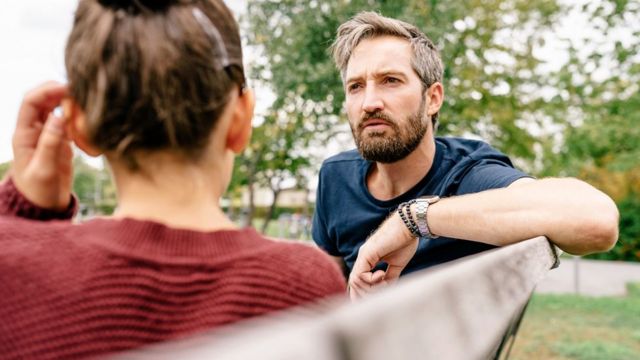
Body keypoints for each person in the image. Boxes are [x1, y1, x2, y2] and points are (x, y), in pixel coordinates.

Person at [0, 0, 345, 358]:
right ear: (241, 121)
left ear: (78, 127)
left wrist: (22, 207)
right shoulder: (307, 286)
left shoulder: (11, 271)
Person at [311, 11, 619, 299]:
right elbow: (326, 293)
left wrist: (411, 221)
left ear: (432, 99)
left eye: (391, 80)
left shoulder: (468, 174)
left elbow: (597, 221)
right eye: (355, 86)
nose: (369, 102)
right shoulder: (335, 177)